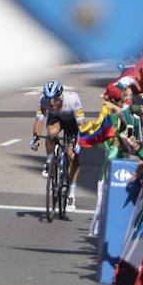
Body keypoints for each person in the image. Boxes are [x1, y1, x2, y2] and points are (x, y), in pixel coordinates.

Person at [31, 79, 87, 212]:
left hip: (72, 121)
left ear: (61, 97)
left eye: (55, 99)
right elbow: (39, 122)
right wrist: (36, 138)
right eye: (49, 99)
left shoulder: (73, 100)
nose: (52, 103)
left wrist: (79, 141)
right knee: (50, 133)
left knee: (71, 155)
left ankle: (71, 194)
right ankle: (50, 160)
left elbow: (82, 126)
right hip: (56, 119)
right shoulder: (43, 101)